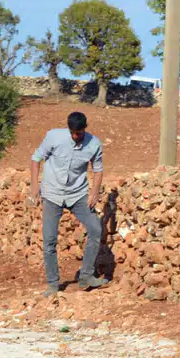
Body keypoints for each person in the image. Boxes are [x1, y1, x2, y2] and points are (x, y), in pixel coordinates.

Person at [26, 111, 109, 297]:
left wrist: (94, 192)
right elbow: (36, 159)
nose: (75, 136)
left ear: (84, 129)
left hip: (77, 194)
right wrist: (34, 188)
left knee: (95, 228)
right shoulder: (54, 136)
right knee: (49, 240)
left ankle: (86, 276)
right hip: (52, 193)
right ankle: (53, 284)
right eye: (72, 132)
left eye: (78, 133)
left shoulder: (94, 144)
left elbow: (98, 169)